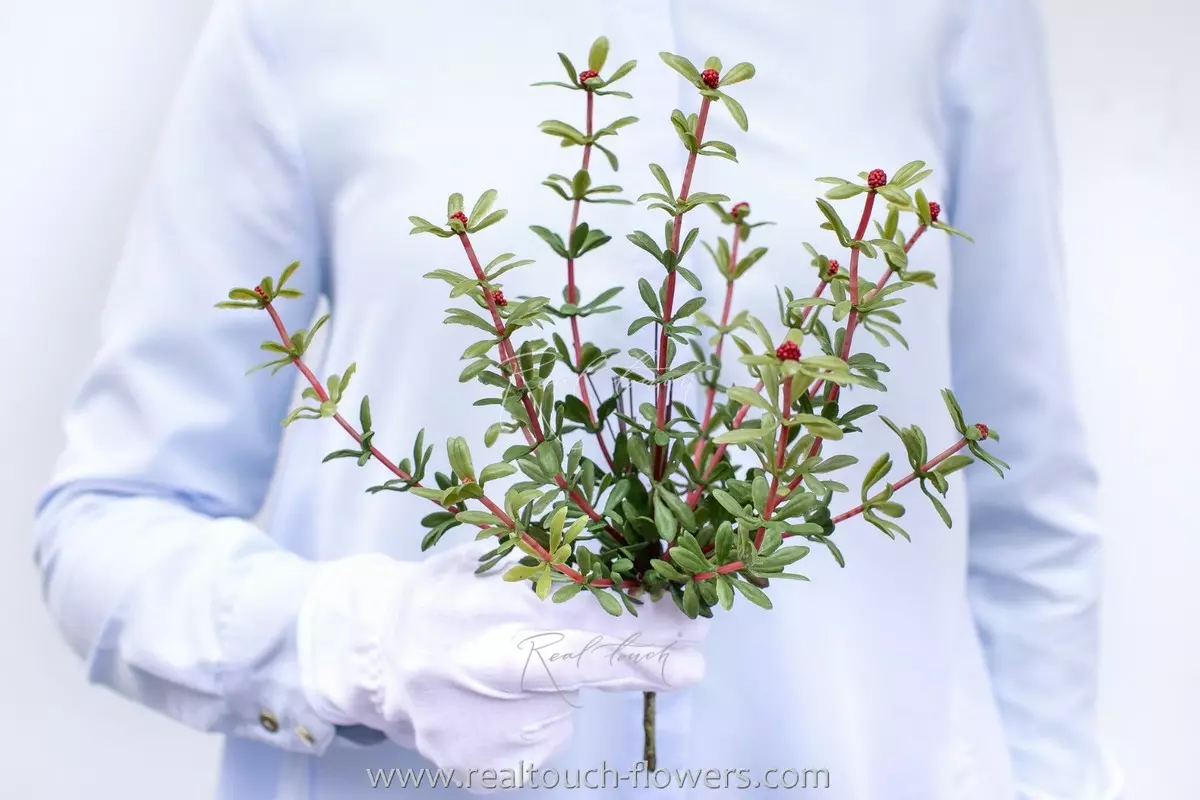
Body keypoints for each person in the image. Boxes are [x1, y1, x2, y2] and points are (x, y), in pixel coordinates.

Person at [32, 0, 1121, 797]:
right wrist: (357, 639)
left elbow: (1029, 505)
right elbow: (104, 518)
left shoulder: (950, 17)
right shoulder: (301, 24)